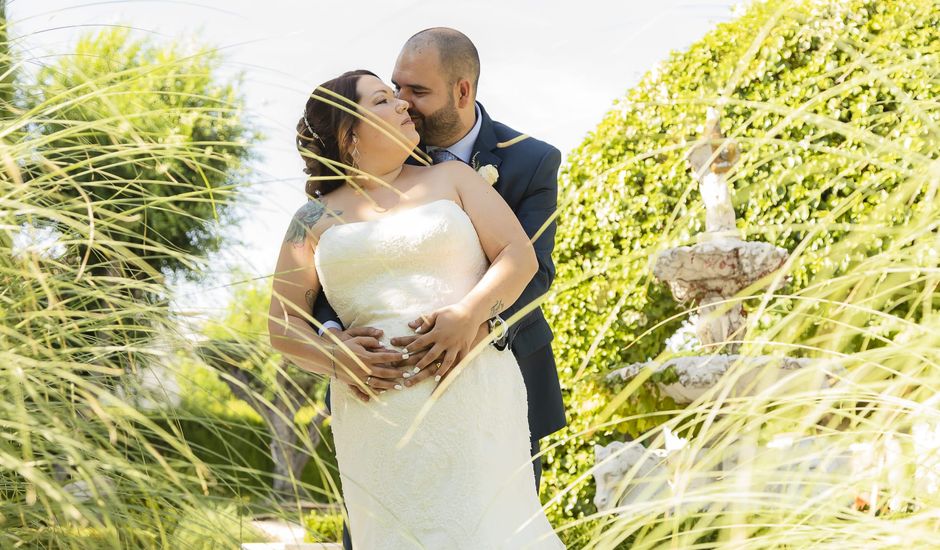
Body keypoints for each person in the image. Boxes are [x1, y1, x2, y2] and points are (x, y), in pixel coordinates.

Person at [268, 69, 565, 548]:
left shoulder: (453, 178)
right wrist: (335, 357)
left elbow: (520, 255)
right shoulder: (312, 219)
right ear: (349, 134)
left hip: (472, 391)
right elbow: (282, 325)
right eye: (384, 101)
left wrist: (469, 316)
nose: (404, 105)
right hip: (373, 412)